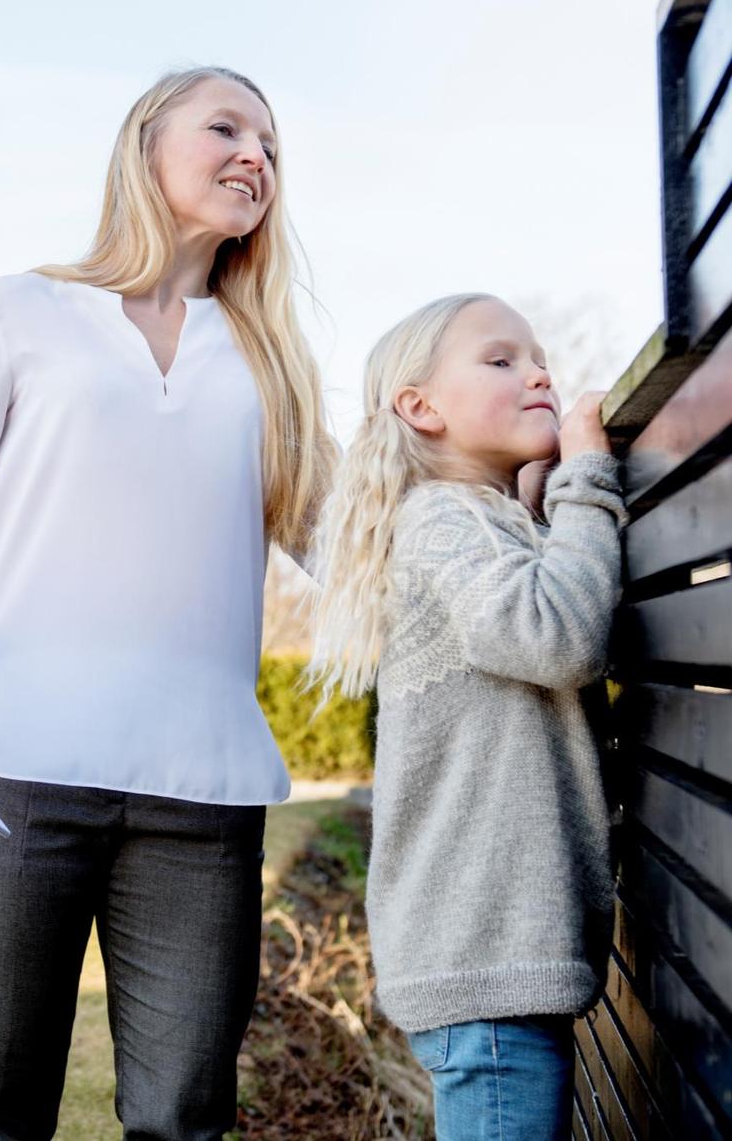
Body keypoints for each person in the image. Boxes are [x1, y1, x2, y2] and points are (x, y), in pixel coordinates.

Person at [0, 65, 337, 1140]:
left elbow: (347, 536)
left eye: (271, 145)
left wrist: (504, 497)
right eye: (227, 128)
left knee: (185, 1118)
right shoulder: (19, 311)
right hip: (15, 777)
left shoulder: (268, 358)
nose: (256, 157)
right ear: (146, 148)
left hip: (200, 788)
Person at [304, 293, 627, 1140]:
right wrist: (587, 477)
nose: (539, 373)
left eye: (537, 357)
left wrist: (541, 512)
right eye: (501, 360)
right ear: (421, 407)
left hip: (494, 967)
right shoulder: (444, 520)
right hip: (485, 974)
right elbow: (557, 638)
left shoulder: (480, 522)